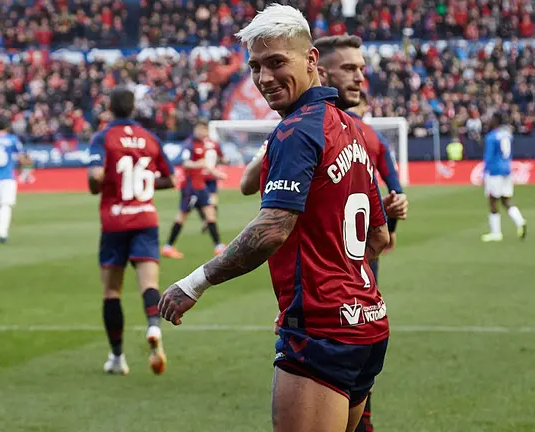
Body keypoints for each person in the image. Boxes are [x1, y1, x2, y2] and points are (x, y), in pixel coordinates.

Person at [160, 5, 391, 432]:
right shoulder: (351, 128)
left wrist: (194, 282)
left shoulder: (296, 131)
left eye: (277, 62)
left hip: (322, 335)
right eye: (255, 66)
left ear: (311, 60)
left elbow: (271, 230)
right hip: (367, 324)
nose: (264, 78)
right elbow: (378, 236)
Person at [315, 34, 410, 432]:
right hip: (335, 269)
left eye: (361, 71)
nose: (360, 79)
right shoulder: (308, 129)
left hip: (350, 266)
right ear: (320, 71)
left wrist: (394, 210)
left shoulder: (369, 135)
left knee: (348, 363)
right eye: (351, 69)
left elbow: (394, 195)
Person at [87, 88, 176, 376]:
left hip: (114, 221)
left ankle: (117, 358)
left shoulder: (103, 137)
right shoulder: (150, 138)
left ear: (110, 108)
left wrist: (104, 183)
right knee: (149, 284)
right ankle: (153, 327)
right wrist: (146, 183)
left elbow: (94, 177)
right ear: (133, 108)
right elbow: (171, 179)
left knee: (112, 291)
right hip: (145, 219)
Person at [161, 119, 226, 259]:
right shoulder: (189, 144)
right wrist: (198, 164)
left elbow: (205, 166)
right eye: (199, 129)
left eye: (203, 130)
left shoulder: (203, 144)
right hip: (190, 188)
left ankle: (218, 246)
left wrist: (217, 174)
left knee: (210, 214)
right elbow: (185, 164)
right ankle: (168, 246)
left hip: (200, 186)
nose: (200, 132)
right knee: (182, 217)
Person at [481, 112, 527, 241]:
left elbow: (489, 157)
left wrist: (484, 172)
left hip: (495, 171)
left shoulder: (491, 137)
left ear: (495, 121)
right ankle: (520, 221)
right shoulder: (508, 134)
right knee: (505, 200)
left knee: (492, 200)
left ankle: (496, 233)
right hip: (507, 169)